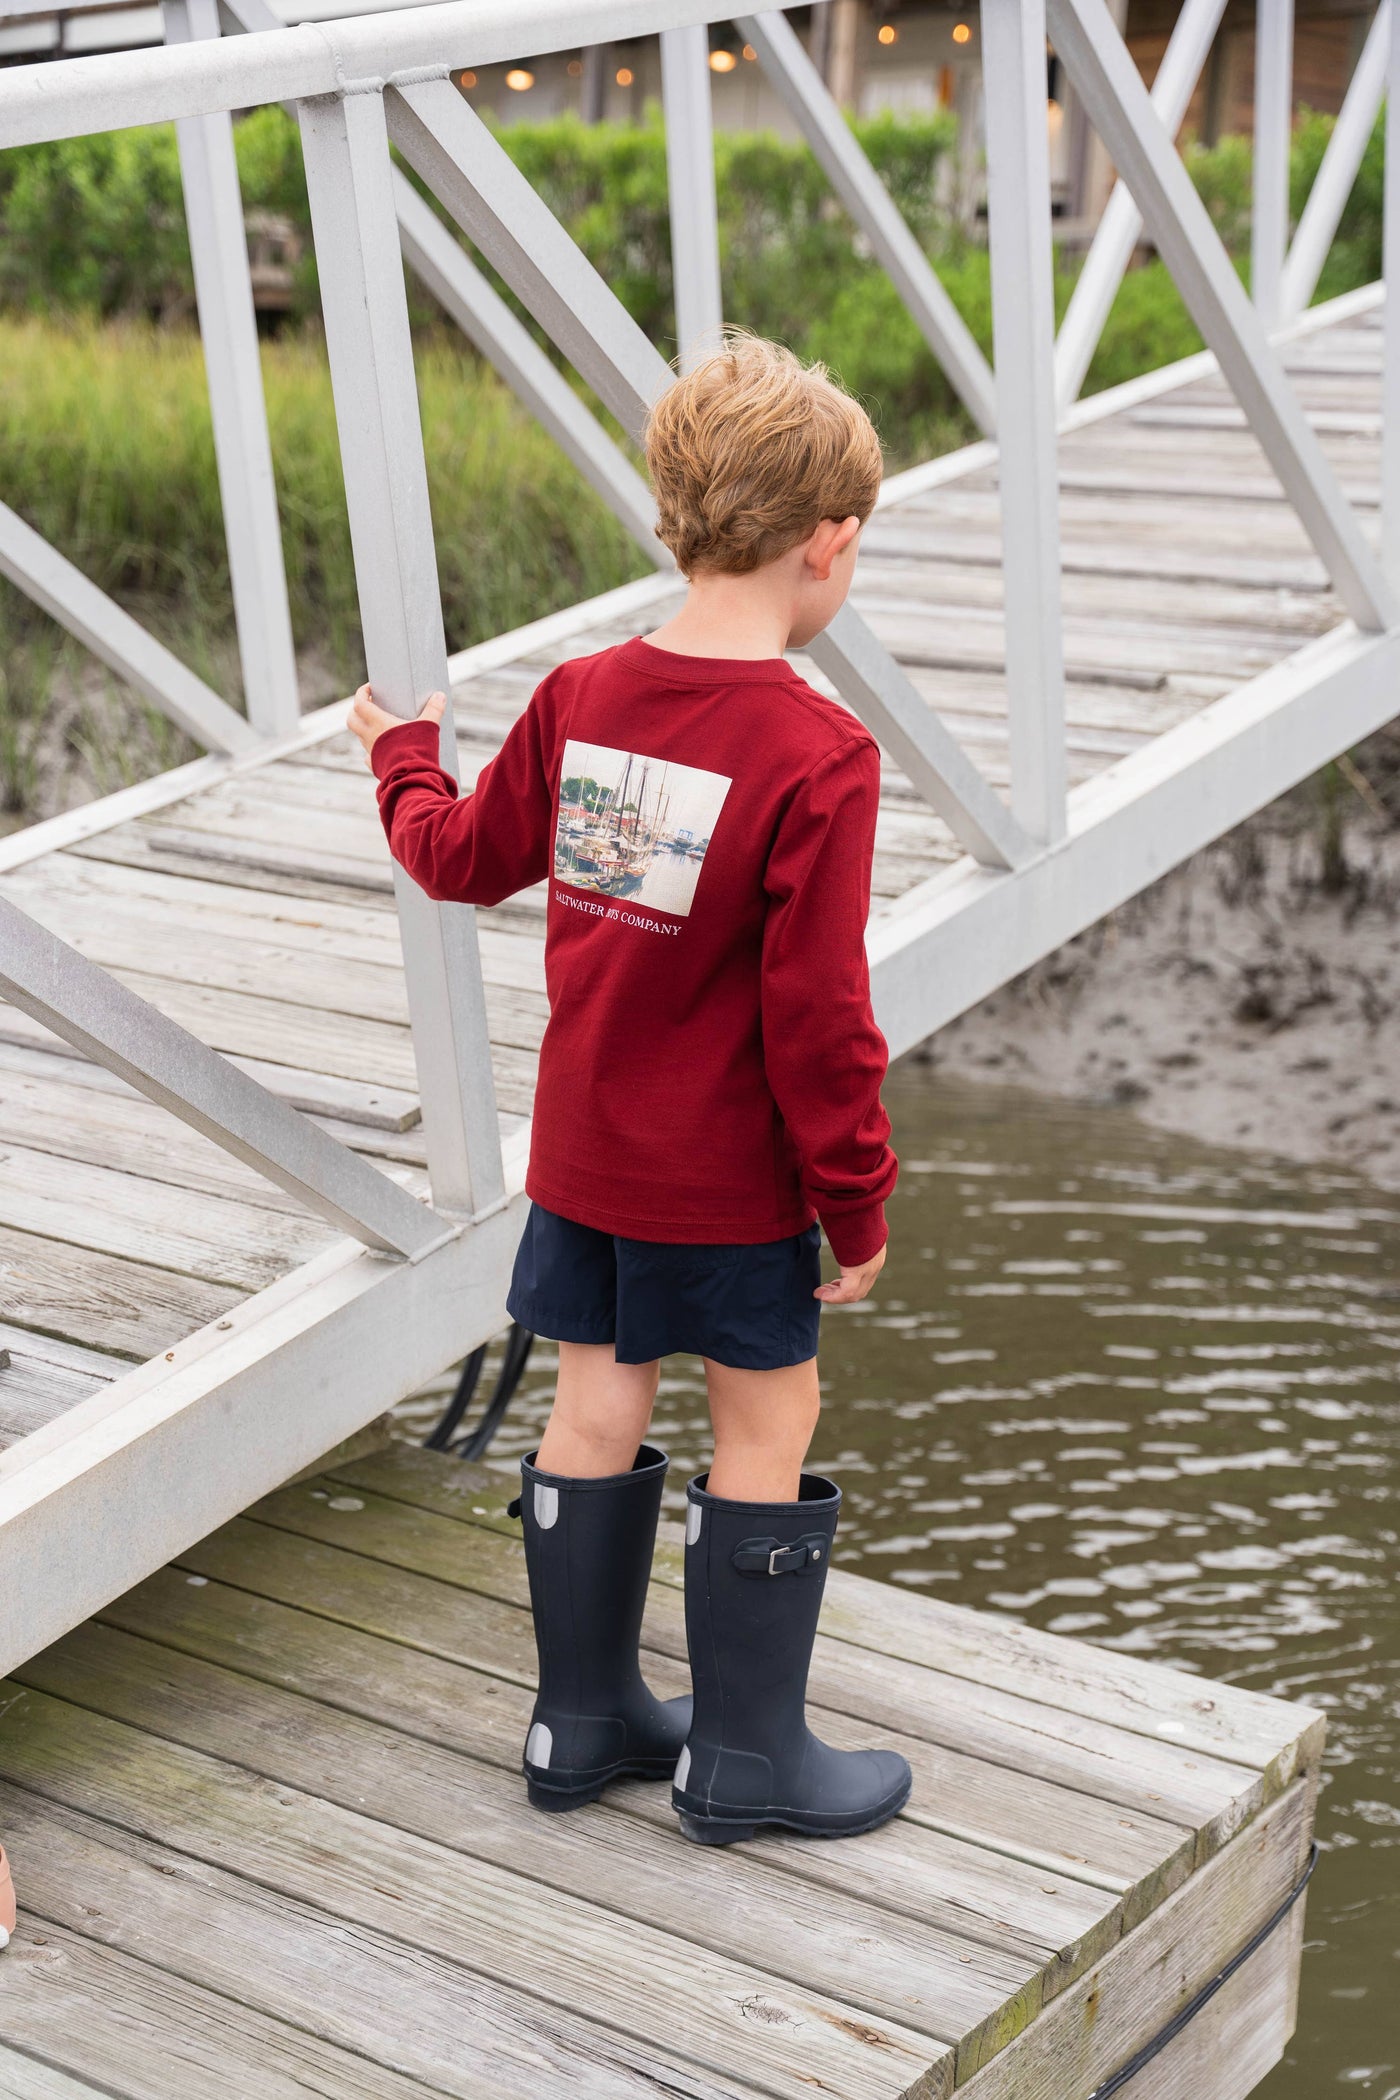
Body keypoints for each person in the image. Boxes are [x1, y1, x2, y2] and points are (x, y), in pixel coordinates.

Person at [349, 334, 910, 1847]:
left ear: (679, 517)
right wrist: (855, 1199)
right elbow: (820, 1022)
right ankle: (743, 1761)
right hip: (724, 1183)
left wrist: (405, 755)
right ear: (829, 539)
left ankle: (578, 1722)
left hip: (585, 1160)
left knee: (591, 1402)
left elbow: (458, 856)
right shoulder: (817, 753)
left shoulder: (585, 692)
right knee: (766, 1420)